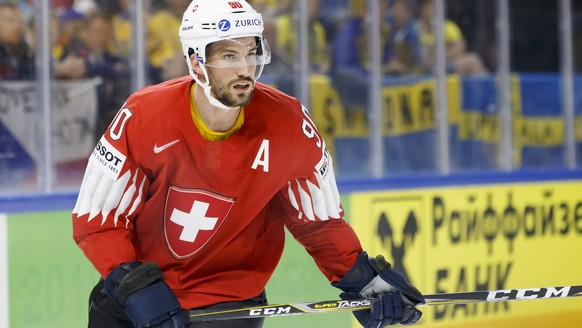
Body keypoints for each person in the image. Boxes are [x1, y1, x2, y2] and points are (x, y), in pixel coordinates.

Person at [72, 1, 425, 327]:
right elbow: (98, 220)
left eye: (251, 52)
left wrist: (365, 280)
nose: (245, 69)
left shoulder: (289, 123)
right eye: (228, 56)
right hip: (137, 300)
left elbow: (317, 223)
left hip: (228, 306)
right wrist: (135, 289)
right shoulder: (144, 116)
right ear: (195, 61)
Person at [416, 0, 487, 75]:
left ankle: (492, 85)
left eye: (435, 6)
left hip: (445, 64)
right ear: (422, 9)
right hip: (424, 70)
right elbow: (423, 58)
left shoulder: (447, 26)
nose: (433, 9)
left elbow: (460, 47)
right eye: (430, 6)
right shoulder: (415, 29)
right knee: (470, 62)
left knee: (472, 61)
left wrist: (441, 54)